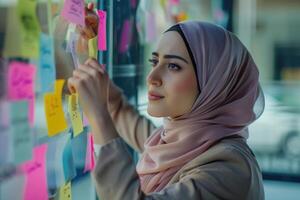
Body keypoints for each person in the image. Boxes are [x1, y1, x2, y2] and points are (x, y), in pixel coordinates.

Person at [67, 4, 265, 200]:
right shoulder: (175, 143)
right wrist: (90, 51)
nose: (152, 77)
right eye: (154, 62)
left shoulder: (229, 170)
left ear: (215, 82)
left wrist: (98, 116)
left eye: (173, 66)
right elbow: (118, 110)